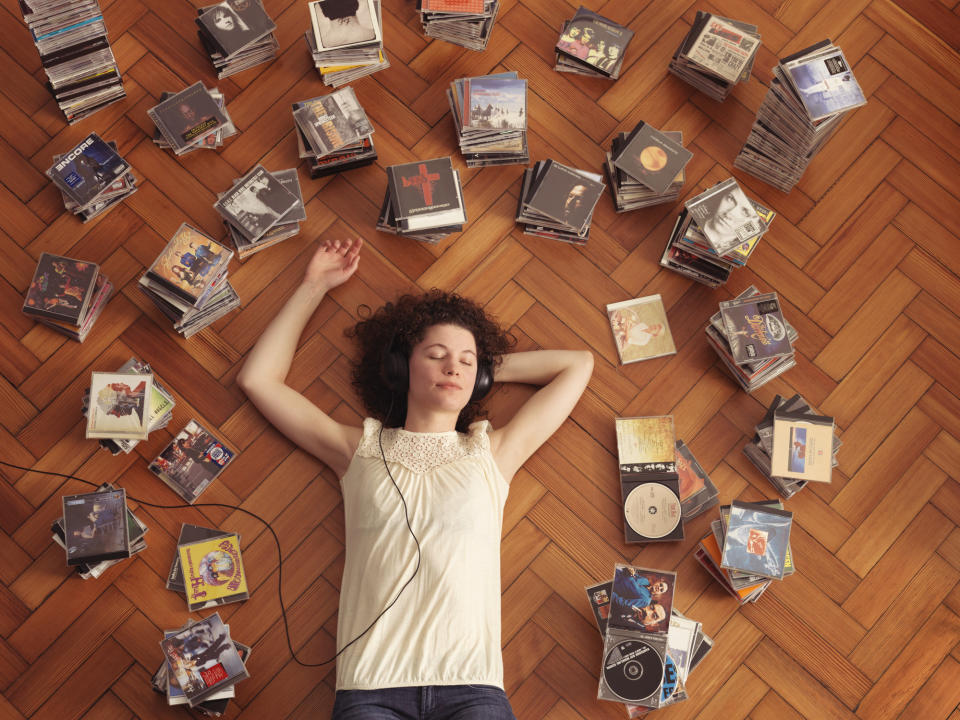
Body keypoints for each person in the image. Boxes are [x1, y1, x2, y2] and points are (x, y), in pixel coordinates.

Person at [237, 238, 594, 720]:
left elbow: (578, 364)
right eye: (437, 355)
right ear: (403, 367)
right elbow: (258, 380)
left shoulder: (492, 454)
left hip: (473, 687)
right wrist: (313, 285)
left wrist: (483, 371)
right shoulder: (357, 450)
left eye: (466, 359)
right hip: (371, 689)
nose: (453, 366)